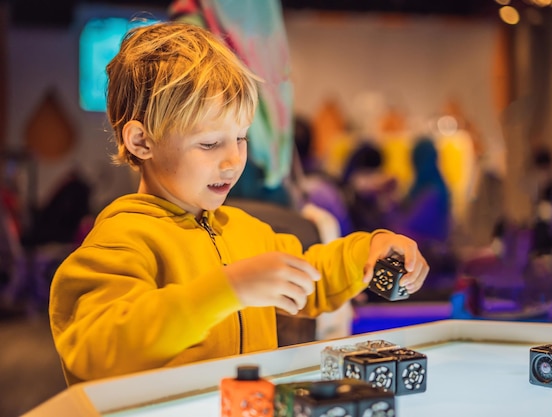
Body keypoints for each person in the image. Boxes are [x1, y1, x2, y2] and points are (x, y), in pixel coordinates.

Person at [48, 22, 429, 385]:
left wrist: (368, 248)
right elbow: (96, 348)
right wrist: (226, 290)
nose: (233, 161)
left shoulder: (246, 230)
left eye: (241, 138)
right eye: (210, 143)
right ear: (141, 142)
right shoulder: (121, 239)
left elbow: (309, 276)